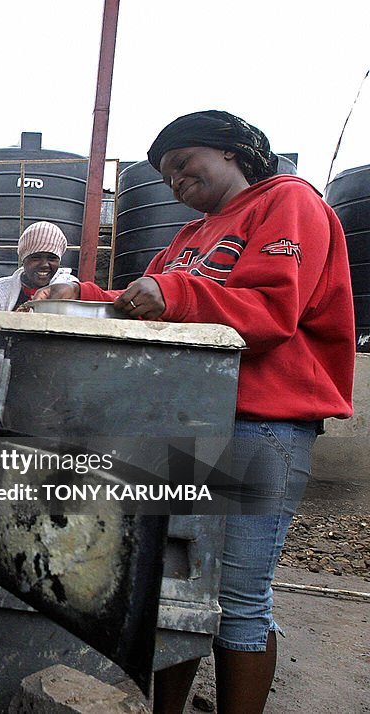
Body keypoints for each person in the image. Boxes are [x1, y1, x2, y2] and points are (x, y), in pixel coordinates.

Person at [38, 110, 355, 713]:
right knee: (176, 588)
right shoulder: (189, 239)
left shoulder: (287, 202)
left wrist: (173, 294)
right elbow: (147, 301)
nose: (178, 184)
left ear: (232, 150)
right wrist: (84, 294)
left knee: (238, 596)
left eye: (185, 165)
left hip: (262, 422)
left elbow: (271, 312)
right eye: (168, 180)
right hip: (190, 418)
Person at [0, 220, 78, 311]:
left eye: (52, 258)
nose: (45, 265)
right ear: (24, 259)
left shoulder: (68, 287)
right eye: (36, 258)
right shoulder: (1, 288)